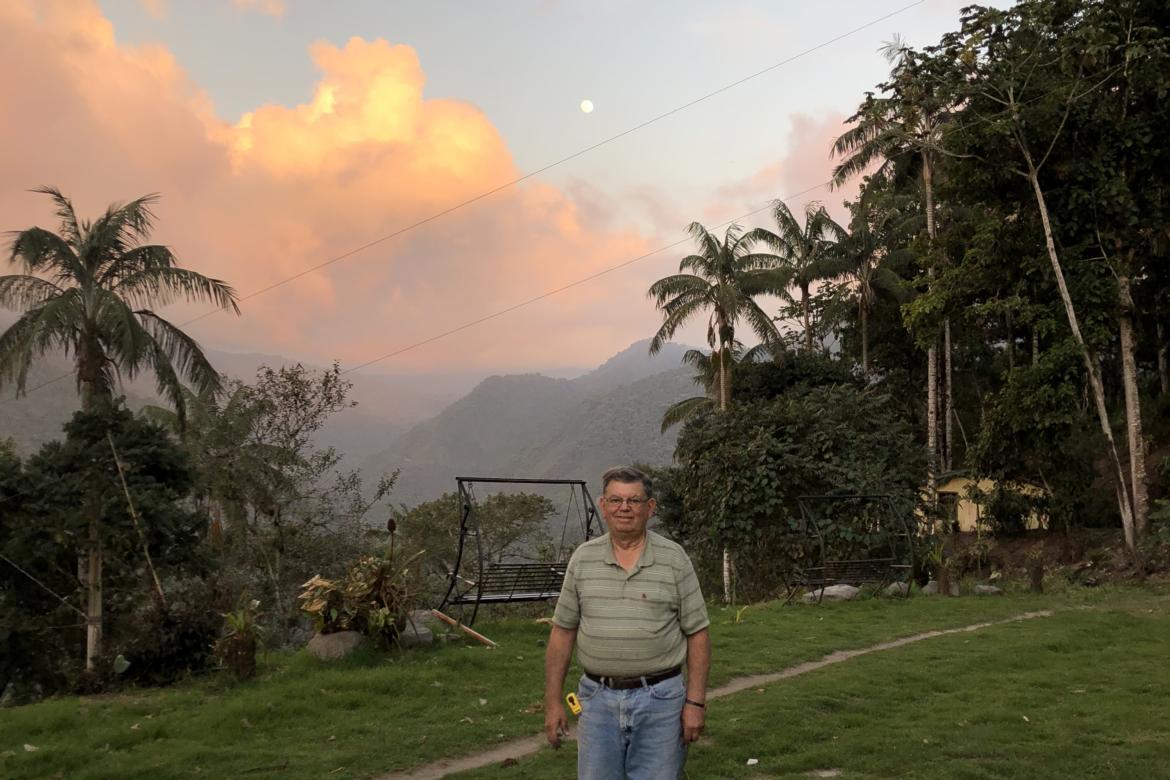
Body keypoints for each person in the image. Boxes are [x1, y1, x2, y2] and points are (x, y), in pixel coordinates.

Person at [544, 466, 711, 779]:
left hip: (661, 702)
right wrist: (553, 702)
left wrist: (695, 703)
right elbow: (563, 632)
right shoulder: (583, 559)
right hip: (596, 701)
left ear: (650, 507)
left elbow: (698, 633)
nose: (624, 508)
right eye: (616, 500)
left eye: (634, 500)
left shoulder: (674, 559)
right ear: (603, 505)